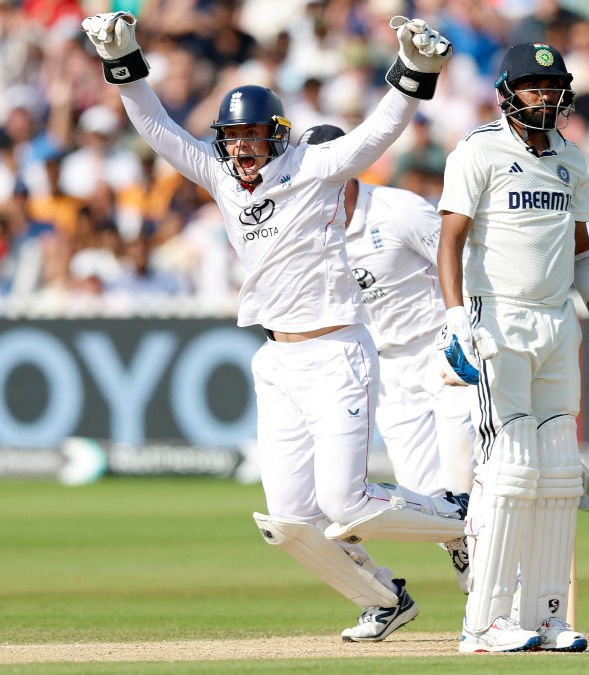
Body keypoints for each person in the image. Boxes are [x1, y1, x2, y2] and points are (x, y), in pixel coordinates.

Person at [82, 11, 469, 642]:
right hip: (277, 362)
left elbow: (380, 130)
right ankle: (383, 597)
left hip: (336, 349)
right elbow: (156, 128)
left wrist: (417, 68)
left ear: (280, 137)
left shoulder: (316, 169)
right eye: (230, 136)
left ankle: (459, 517)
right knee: (290, 519)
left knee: (347, 504)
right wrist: (124, 65)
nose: (239, 147)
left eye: (252, 136)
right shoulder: (221, 179)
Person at [437, 42, 589, 653]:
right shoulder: (478, 150)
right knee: (509, 468)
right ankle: (483, 623)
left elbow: (581, 251)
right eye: (531, 86)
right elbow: (448, 242)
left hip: (558, 324)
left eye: (552, 87)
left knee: (555, 473)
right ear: (507, 91)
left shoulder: (571, 159)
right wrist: (453, 319)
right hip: (496, 319)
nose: (544, 96)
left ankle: (545, 615)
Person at [300, 123, 477, 589]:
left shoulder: (399, 211)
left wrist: (468, 329)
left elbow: (459, 259)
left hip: (441, 350)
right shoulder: (307, 230)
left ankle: (504, 582)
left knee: (464, 472)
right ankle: (468, 556)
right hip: (388, 367)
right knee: (424, 492)